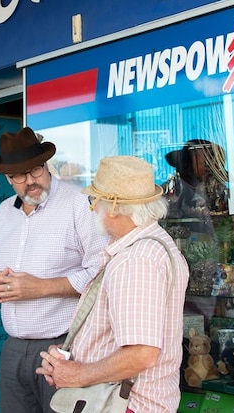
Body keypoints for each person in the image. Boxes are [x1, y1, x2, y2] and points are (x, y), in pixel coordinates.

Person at [37, 155, 190, 413]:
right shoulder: (150, 246)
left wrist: (78, 374)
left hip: (126, 405)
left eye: (94, 200)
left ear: (115, 207)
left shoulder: (136, 260)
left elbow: (141, 353)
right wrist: (72, 358)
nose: (91, 208)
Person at [0, 127, 107, 413]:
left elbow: (102, 271)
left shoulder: (78, 203)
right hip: (12, 349)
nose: (30, 181)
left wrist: (43, 287)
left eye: (36, 170)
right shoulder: (3, 212)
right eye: (19, 176)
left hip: (64, 348)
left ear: (46, 164)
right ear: (7, 178)